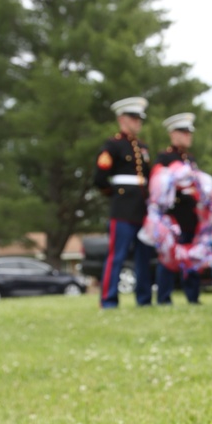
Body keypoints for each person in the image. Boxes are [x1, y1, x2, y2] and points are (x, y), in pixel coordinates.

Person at [92, 96, 153, 308]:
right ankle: (109, 300)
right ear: (122, 119)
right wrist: (114, 195)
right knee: (116, 257)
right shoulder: (113, 145)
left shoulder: (142, 148)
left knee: (143, 258)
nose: (138, 122)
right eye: (133, 118)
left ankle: (144, 299)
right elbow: (99, 177)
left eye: (139, 119)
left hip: (142, 210)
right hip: (122, 210)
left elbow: (149, 179)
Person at [154, 112, 201, 305]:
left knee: (191, 254)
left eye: (189, 133)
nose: (188, 136)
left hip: (191, 215)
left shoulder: (190, 159)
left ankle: (193, 296)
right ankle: (164, 297)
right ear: (173, 134)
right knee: (169, 256)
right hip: (173, 215)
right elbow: (159, 185)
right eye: (184, 132)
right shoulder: (164, 157)